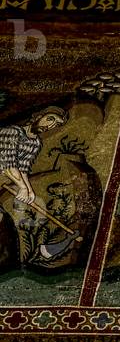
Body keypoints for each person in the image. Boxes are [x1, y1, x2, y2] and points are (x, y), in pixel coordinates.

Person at [0, 107, 69, 267]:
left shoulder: (35, 143)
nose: (50, 125)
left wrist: (29, 191)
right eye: (50, 119)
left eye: (56, 124)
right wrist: (22, 188)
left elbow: (22, 168)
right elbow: (8, 165)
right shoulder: (12, 132)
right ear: (39, 115)